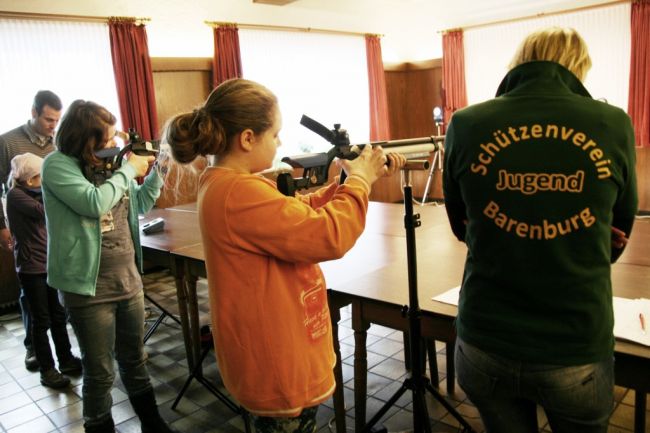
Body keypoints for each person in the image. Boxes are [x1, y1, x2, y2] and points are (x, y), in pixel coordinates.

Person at [164, 78, 406, 432]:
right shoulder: (238, 192)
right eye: (275, 134)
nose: (279, 143)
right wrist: (359, 183)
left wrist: (348, 182)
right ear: (247, 138)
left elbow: (294, 211)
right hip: (275, 361)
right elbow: (328, 235)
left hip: (269, 352)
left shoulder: (226, 182)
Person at [442, 27, 638, 433]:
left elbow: (461, 226)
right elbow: (618, 236)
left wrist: (500, 229)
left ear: (519, 61)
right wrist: (585, 236)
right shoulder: (612, 123)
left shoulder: (466, 123)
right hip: (573, 343)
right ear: (579, 66)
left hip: (485, 338)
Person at [41, 100, 176, 433]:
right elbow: (93, 203)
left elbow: (138, 204)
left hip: (127, 281)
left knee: (135, 361)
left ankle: (153, 425)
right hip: (88, 289)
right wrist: (127, 169)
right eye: (105, 139)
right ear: (83, 138)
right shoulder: (57, 165)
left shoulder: (109, 166)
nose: (112, 145)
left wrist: (158, 170)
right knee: (100, 372)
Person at [6, 152, 82, 389]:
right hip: (31, 269)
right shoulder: (15, 195)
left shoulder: (33, 191)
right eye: (42, 177)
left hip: (49, 263)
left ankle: (66, 359)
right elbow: (43, 211)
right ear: (30, 180)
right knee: (41, 321)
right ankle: (47, 370)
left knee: (58, 315)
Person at [0, 89, 62, 372]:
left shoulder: (58, 143)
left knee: (53, 300)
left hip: (52, 232)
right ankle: (33, 348)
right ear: (34, 112)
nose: (53, 126)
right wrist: (1, 226)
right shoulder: (7, 142)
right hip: (25, 229)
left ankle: (62, 353)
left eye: (57, 120)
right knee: (32, 298)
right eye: (48, 119)